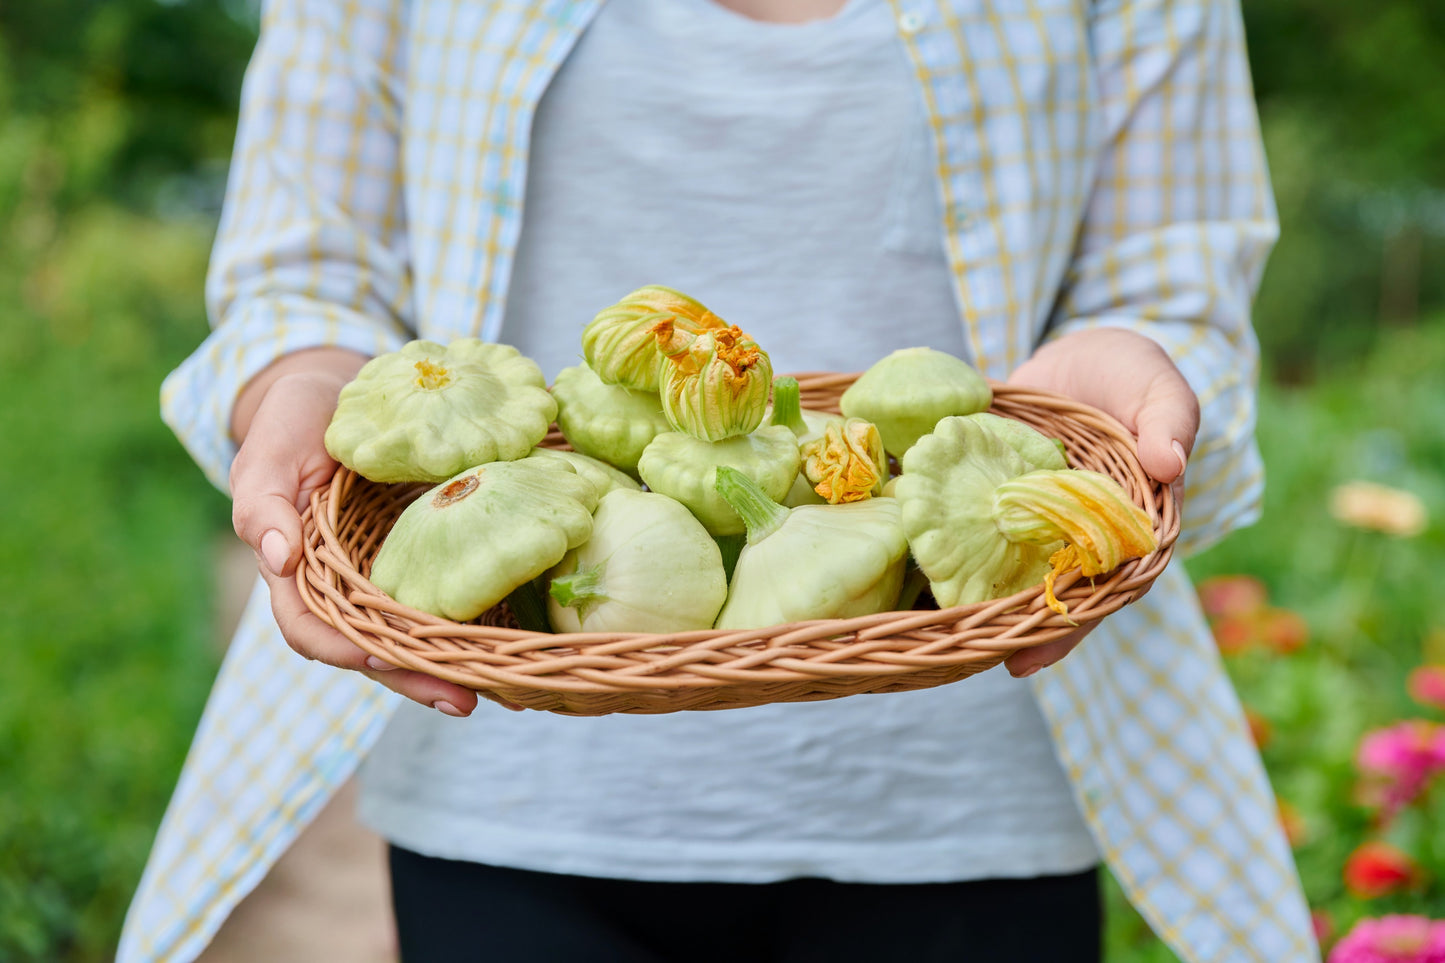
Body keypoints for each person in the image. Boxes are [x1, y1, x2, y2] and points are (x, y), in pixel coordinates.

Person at [121, 0, 1320, 960]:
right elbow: (305, 269)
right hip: (515, 788)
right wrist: (302, 374)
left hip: (965, 796)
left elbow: (1169, 277)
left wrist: (1130, 373)